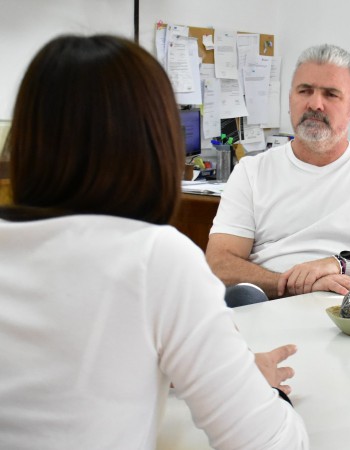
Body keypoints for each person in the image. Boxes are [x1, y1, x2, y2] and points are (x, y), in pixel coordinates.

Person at [0, 35, 308, 449]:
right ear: (155, 141)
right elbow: (272, 443)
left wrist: (191, 365)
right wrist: (259, 388)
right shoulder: (154, 258)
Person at [205, 44, 350, 305]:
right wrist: (296, 284)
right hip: (271, 305)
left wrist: (340, 264)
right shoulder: (251, 172)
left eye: (331, 94)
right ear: (290, 100)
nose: (315, 104)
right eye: (305, 91)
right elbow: (219, 263)